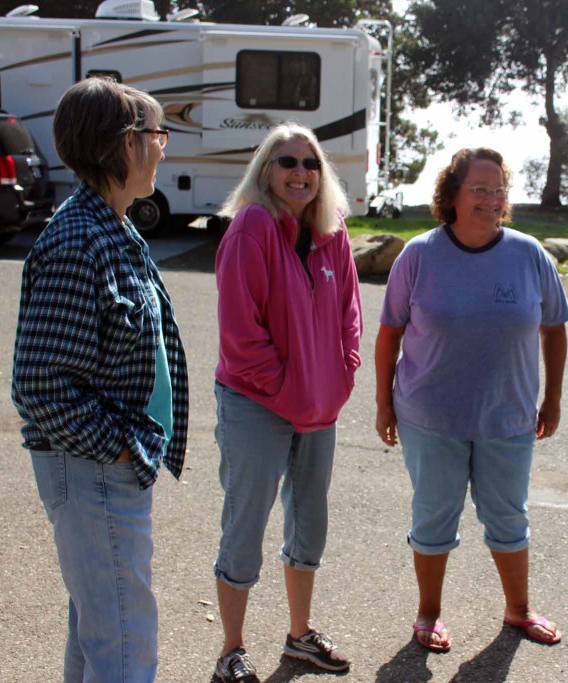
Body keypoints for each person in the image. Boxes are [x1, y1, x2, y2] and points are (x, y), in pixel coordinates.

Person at [11, 77, 188, 683]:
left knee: (99, 631)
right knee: (125, 646)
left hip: (104, 465)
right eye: (156, 134)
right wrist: (122, 446)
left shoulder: (108, 223)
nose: (164, 147)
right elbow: (41, 385)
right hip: (94, 467)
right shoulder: (78, 238)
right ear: (123, 143)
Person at [375, 148, 568, 652]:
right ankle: (427, 614)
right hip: (429, 417)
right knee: (433, 517)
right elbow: (389, 333)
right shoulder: (419, 254)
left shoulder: (529, 254)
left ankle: (519, 609)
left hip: (508, 415)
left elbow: (554, 329)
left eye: (499, 189)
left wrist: (552, 401)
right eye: (479, 188)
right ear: (453, 195)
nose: (491, 198)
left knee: (509, 517)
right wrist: (382, 403)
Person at [211, 123, 362, 681]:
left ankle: (299, 637)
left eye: (310, 163)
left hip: (319, 405)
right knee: (245, 524)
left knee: (309, 523)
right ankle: (231, 651)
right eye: (287, 162)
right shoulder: (252, 225)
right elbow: (239, 329)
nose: (300, 172)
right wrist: (285, 387)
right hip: (257, 403)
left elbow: (350, 314)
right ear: (266, 172)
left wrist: (342, 374)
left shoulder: (332, 231)